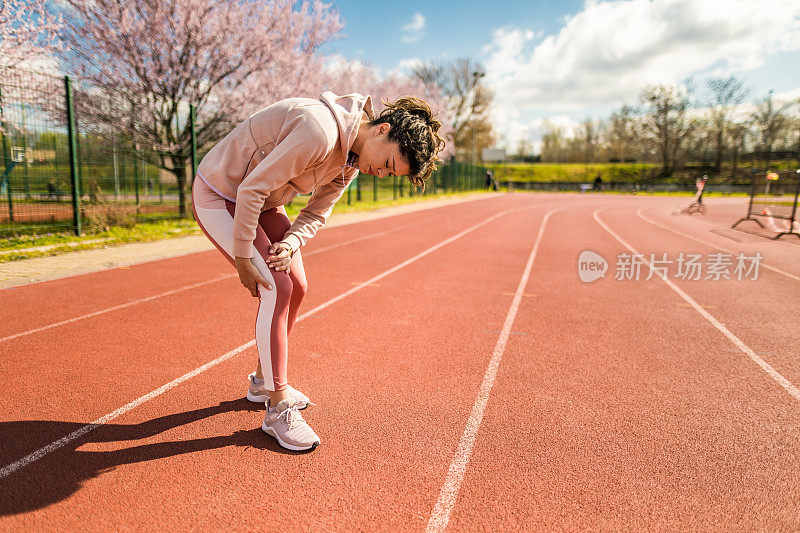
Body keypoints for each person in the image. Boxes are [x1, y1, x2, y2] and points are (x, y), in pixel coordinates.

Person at [191, 92, 445, 451]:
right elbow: (250, 188)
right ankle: (277, 407)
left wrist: (291, 243)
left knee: (297, 283)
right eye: (388, 162)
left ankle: (263, 381)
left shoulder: (351, 163)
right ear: (381, 130)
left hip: (261, 200)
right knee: (276, 287)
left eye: (390, 174)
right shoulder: (319, 131)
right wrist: (243, 257)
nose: (382, 172)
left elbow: (314, 214)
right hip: (222, 194)